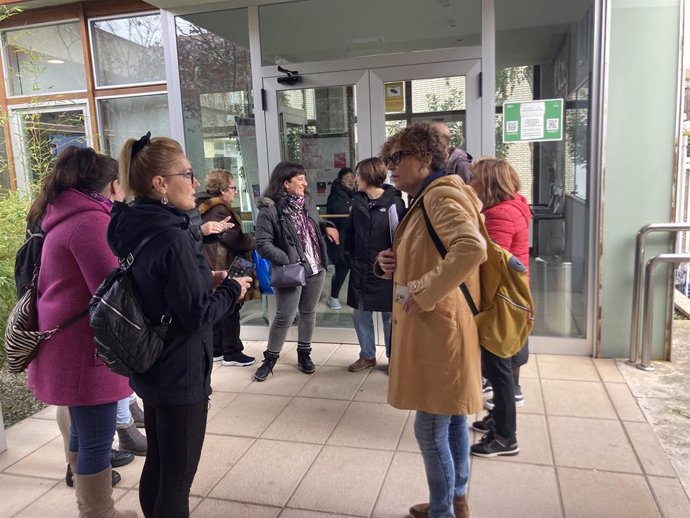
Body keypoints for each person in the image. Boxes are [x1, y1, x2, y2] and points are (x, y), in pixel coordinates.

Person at [110, 133, 251, 518]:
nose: (194, 182)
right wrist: (232, 290)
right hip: (179, 369)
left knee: (158, 463)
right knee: (177, 479)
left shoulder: (131, 223)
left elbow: (162, 288)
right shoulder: (173, 236)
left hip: (151, 362)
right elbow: (197, 315)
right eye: (187, 173)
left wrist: (206, 281)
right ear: (160, 183)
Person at [375, 123, 486, 518]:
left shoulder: (438, 196)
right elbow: (434, 254)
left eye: (396, 158)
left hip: (440, 328)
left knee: (430, 427)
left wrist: (421, 291)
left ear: (424, 157)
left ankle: (444, 511)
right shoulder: (428, 196)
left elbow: (472, 248)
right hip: (443, 324)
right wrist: (391, 263)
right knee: (452, 417)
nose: (389, 168)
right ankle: (455, 499)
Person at [25, 146, 137, 517]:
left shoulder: (65, 215)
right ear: (112, 186)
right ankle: (98, 514)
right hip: (84, 349)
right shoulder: (90, 221)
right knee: (95, 440)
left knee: (83, 432)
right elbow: (112, 290)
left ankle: (91, 510)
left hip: (69, 344)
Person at [467, 157, 531, 457]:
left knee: (498, 368)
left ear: (489, 182)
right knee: (501, 365)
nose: (471, 182)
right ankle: (499, 421)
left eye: (476, 177)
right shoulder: (515, 205)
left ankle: (505, 438)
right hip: (512, 298)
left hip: (502, 301)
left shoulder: (500, 215)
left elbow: (492, 264)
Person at [253, 161, 339, 382]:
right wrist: (289, 260)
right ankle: (270, 360)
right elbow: (262, 243)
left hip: (316, 266)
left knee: (309, 313)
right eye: (300, 179)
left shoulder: (307, 203)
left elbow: (317, 222)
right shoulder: (269, 211)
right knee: (284, 316)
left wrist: (328, 225)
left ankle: (304, 354)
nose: (305, 183)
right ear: (286, 183)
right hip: (291, 270)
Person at [345, 158, 405, 372]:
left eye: (359, 174)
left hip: (386, 270)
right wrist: (349, 256)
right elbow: (350, 234)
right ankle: (367, 355)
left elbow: (400, 238)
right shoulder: (357, 201)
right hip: (360, 268)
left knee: (390, 316)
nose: (356, 178)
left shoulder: (394, 203)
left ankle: (394, 359)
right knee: (359, 313)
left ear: (369, 176)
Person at [196, 168, 257, 367]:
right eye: (232, 188)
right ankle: (233, 351)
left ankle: (217, 350)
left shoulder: (202, 205)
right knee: (230, 308)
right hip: (224, 263)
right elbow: (235, 239)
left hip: (212, 262)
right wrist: (252, 241)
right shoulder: (219, 208)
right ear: (222, 190)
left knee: (219, 307)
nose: (235, 192)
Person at [325, 167, 355, 309]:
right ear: (340, 179)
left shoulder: (355, 195)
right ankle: (334, 297)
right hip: (339, 240)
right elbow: (340, 214)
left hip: (351, 239)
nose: (351, 180)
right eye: (347, 177)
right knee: (342, 268)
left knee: (351, 267)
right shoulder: (336, 195)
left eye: (352, 177)